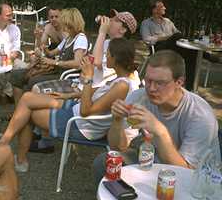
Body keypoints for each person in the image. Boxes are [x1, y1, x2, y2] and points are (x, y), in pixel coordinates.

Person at [0, 38, 140, 172]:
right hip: (76, 109)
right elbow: (97, 92)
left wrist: (88, 78)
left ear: (115, 58)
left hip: (82, 124)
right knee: (27, 98)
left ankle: (15, 155)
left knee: (28, 113)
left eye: (107, 54)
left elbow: (86, 111)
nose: (105, 57)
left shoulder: (122, 85)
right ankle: (6, 144)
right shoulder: (126, 78)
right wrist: (68, 95)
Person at [93, 50, 220, 185]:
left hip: (199, 178)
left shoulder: (200, 116)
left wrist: (160, 131)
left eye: (160, 83)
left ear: (179, 82)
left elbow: (186, 173)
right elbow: (118, 146)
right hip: (154, 159)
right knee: (103, 163)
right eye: (148, 80)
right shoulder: (139, 98)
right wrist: (117, 121)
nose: (151, 88)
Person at [11, 8, 88, 103]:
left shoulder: (80, 39)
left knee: (32, 81)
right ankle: (19, 109)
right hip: (56, 70)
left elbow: (77, 63)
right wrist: (41, 43)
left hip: (65, 75)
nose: (61, 23)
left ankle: (28, 109)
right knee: (17, 75)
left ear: (70, 23)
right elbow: (51, 53)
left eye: (63, 21)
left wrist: (55, 62)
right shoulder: (69, 38)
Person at [140, 0, 196, 90]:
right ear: (154, 10)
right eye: (162, 7)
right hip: (158, 49)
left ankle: (190, 88)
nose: (165, 8)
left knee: (192, 54)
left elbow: (178, 34)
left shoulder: (168, 21)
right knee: (176, 36)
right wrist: (165, 38)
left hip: (173, 47)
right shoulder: (146, 23)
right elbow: (146, 39)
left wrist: (172, 38)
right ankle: (208, 56)